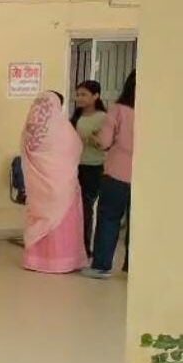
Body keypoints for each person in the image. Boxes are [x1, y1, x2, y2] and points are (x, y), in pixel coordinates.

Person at [21, 91, 87, 273]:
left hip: (38, 187)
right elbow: (76, 147)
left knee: (41, 218)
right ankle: (62, 261)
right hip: (62, 185)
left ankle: (36, 260)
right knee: (62, 222)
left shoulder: (30, 131)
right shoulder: (63, 129)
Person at [84, 70, 136, 279]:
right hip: (145, 177)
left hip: (116, 174)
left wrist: (94, 138)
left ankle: (102, 266)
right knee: (138, 223)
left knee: (109, 218)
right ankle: (133, 266)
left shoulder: (118, 110)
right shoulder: (157, 111)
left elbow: (104, 142)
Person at [70, 80, 108, 256]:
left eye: (84, 94)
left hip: (93, 167)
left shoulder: (103, 118)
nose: (79, 98)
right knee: (73, 208)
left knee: (85, 207)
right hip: (74, 166)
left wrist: (95, 140)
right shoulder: (76, 117)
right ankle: (72, 246)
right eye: (78, 94)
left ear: (96, 96)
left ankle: (84, 248)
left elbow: (105, 144)